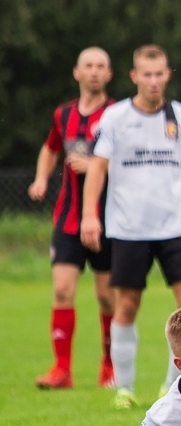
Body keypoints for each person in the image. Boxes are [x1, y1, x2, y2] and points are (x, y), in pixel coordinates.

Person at [80, 45, 181, 409]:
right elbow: (97, 167)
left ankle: (172, 387)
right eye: (147, 74)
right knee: (126, 304)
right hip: (128, 228)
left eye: (159, 74)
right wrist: (90, 215)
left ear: (167, 75)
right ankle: (123, 388)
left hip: (175, 227)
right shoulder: (116, 117)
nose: (153, 81)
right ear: (134, 76)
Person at [27, 47, 116, 389]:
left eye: (101, 66)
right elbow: (50, 148)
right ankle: (61, 369)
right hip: (67, 219)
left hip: (108, 219)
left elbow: (125, 160)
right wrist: (41, 178)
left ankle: (109, 368)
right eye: (88, 66)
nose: (94, 72)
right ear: (76, 73)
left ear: (109, 75)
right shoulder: (63, 114)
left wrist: (95, 166)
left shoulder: (117, 114)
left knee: (108, 297)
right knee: (62, 289)